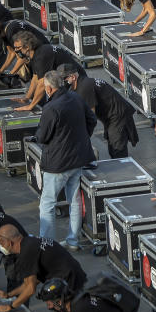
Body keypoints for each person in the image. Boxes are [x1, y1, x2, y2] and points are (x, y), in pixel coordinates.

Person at [34, 71, 96, 252]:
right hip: (77, 159)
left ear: (48, 88)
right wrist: (83, 138)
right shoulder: (76, 97)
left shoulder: (51, 108)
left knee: (47, 204)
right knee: (74, 201)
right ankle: (73, 241)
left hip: (57, 163)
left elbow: (43, 136)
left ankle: (47, 245)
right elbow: (91, 120)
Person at [0, 226, 86, 312]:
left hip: (69, 282)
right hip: (70, 276)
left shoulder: (25, 253)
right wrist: (8, 295)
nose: (0, 247)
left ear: (10, 242)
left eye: (1, 243)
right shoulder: (28, 242)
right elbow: (30, 283)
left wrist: (11, 306)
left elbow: (31, 289)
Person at [58, 65, 137, 159]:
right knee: (111, 144)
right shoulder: (76, 86)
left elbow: (91, 116)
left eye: (64, 79)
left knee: (117, 149)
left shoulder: (85, 87)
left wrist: (83, 137)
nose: (63, 82)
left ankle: (125, 169)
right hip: (109, 116)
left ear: (73, 77)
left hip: (118, 115)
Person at [11, 31, 86, 111]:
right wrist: (27, 97)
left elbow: (42, 84)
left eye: (18, 48)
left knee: (70, 110)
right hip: (67, 80)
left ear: (27, 47)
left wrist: (30, 106)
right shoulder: (35, 54)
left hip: (77, 81)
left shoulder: (41, 56)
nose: (16, 50)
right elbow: (35, 78)